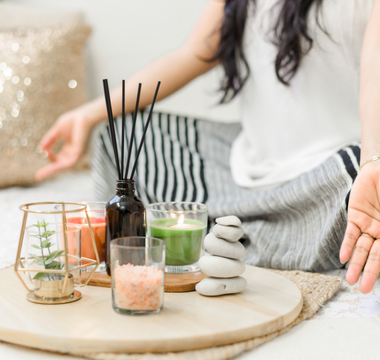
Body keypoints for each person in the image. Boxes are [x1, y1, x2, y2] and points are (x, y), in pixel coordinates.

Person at [36, 0, 380, 294]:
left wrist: (372, 161)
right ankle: (256, 236)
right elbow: (193, 54)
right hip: (243, 167)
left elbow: (374, 72)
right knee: (122, 132)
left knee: (357, 178)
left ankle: (233, 235)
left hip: (335, 175)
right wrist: (89, 114)